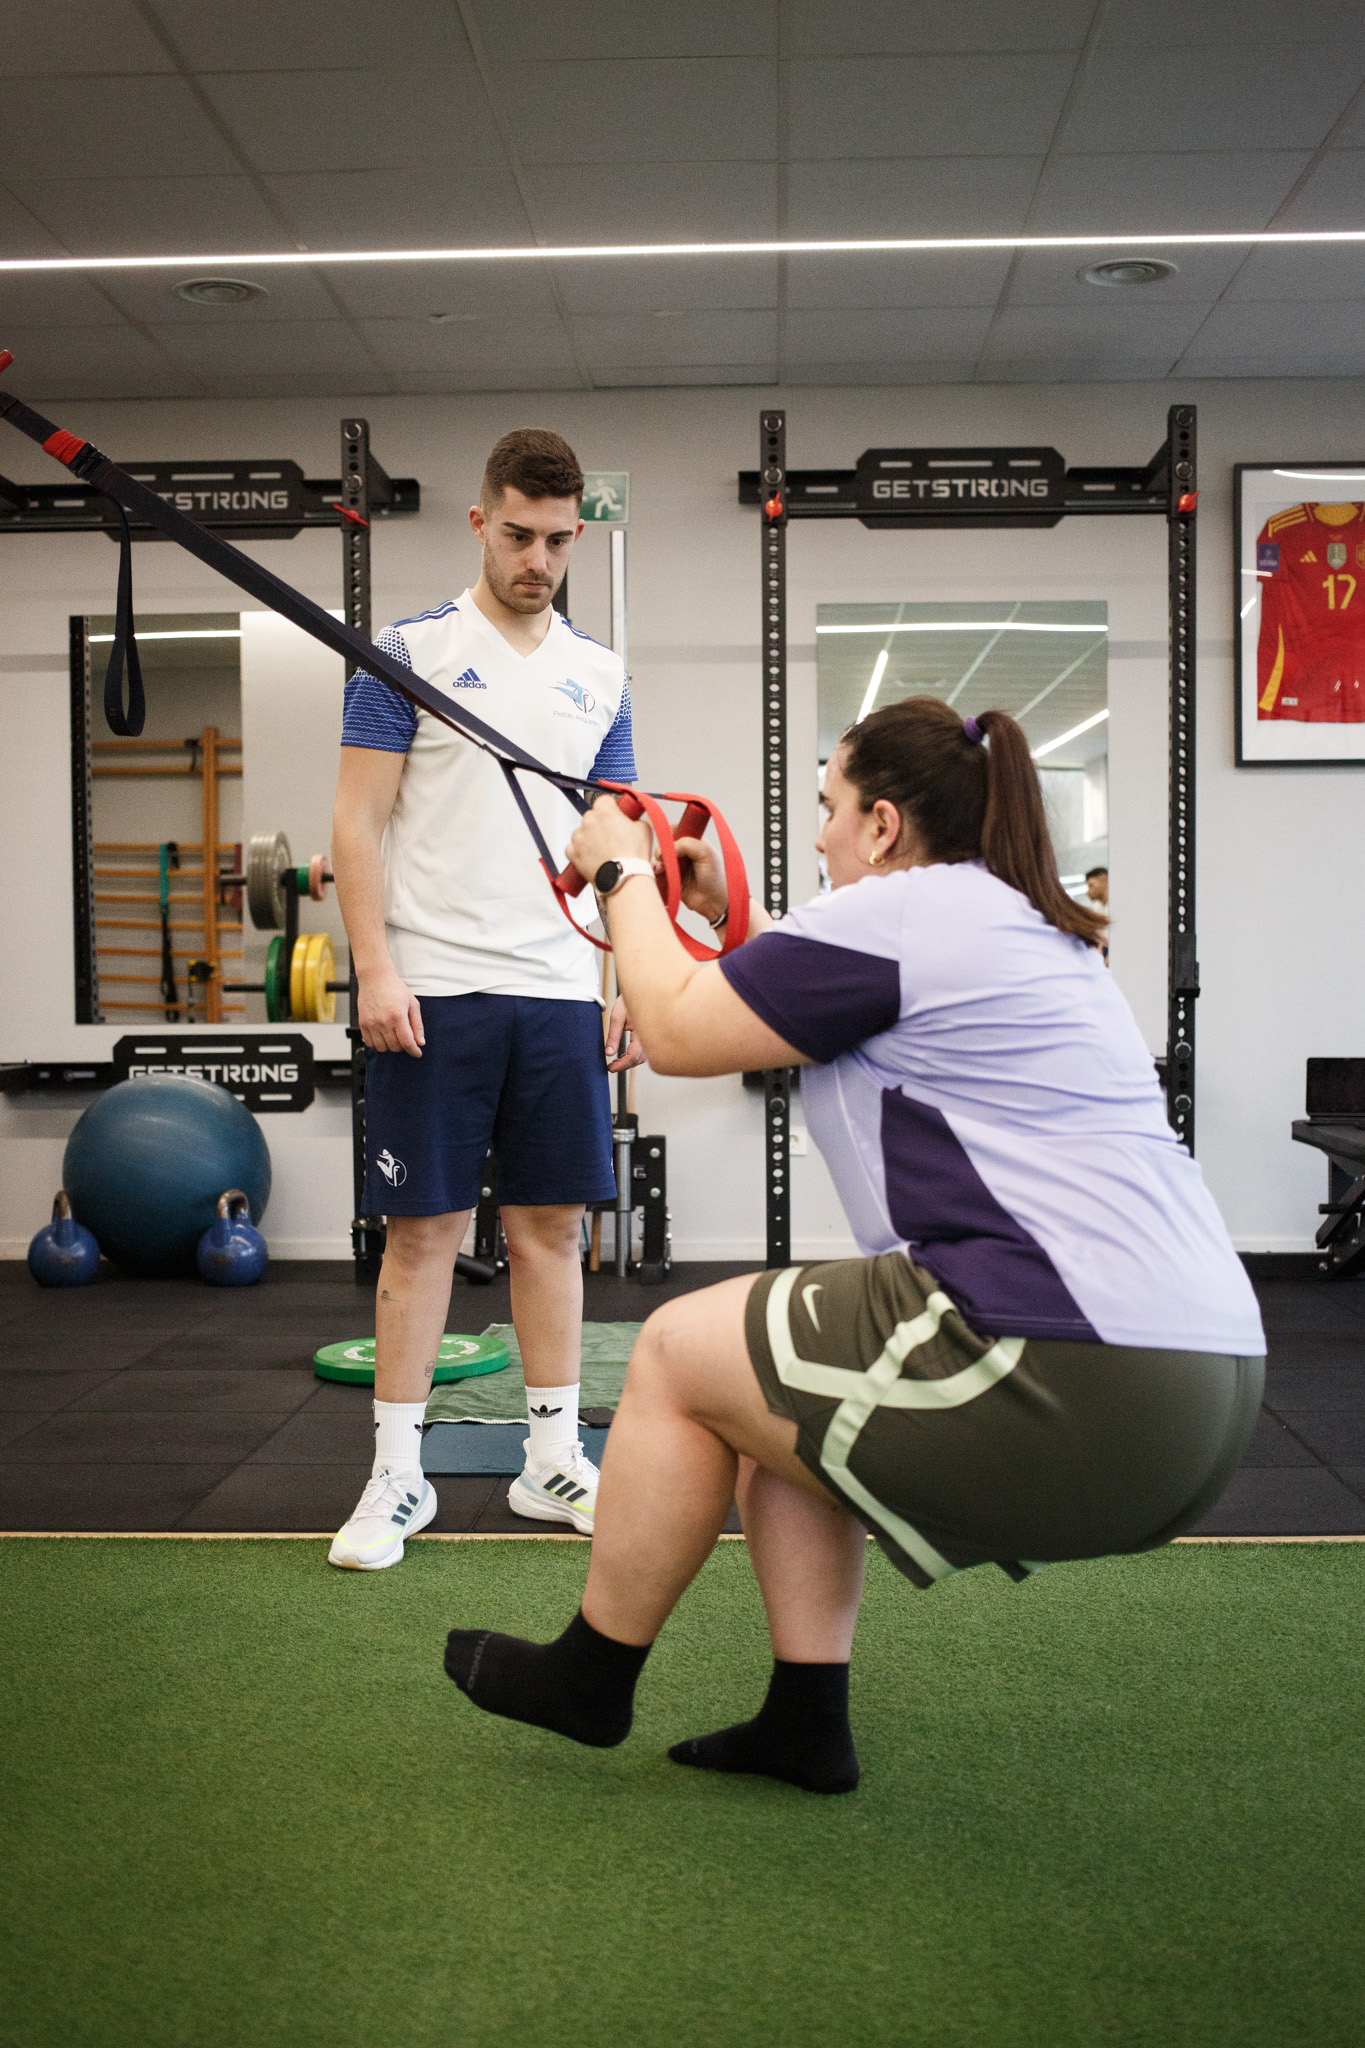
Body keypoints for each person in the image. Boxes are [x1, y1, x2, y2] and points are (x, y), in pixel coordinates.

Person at [442, 698, 1266, 1793]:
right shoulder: (1003, 919)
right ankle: (803, 1723)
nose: (820, 831)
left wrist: (622, 875)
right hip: (1206, 1392)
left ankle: (590, 1676)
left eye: (828, 806)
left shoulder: (897, 921)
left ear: (882, 826)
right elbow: (814, 993)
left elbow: (681, 1029)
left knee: (678, 1353)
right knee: (785, 1405)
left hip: (1076, 1369)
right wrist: (726, 907)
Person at [327, 428, 643, 1571]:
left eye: (560, 539)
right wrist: (374, 965)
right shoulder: (404, 652)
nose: (539, 558)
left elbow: (611, 843)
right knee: (424, 1234)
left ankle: (551, 1458)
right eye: (519, 534)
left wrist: (623, 980)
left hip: (558, 986)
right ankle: (396, 1475)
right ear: (480, 521)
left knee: (552, 1230)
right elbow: (357, 820)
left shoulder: (600, 672)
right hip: (436, 986)